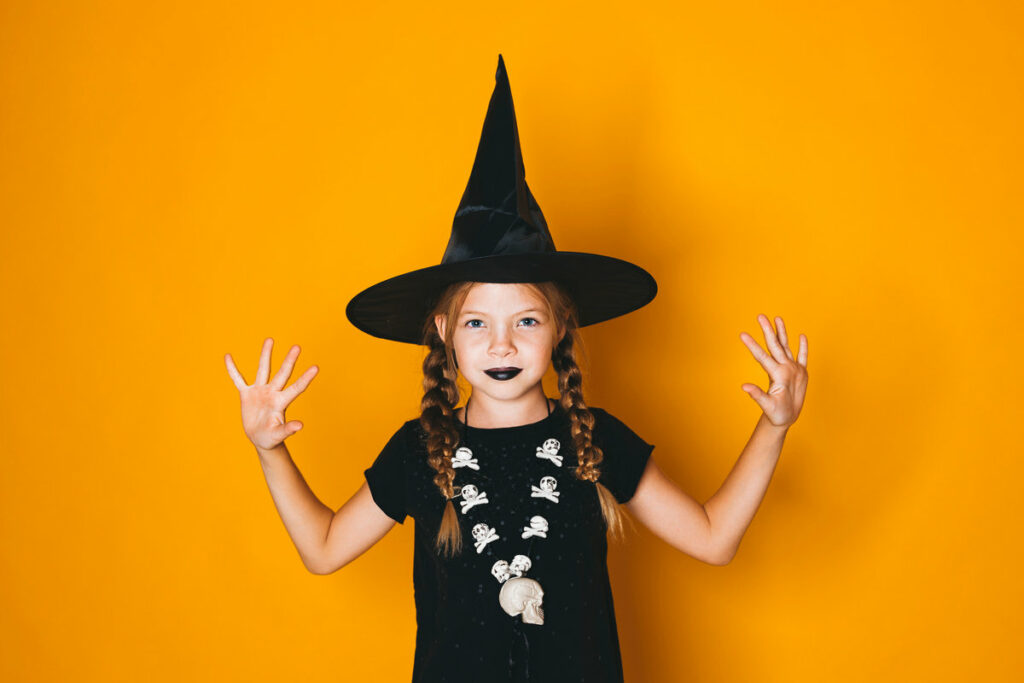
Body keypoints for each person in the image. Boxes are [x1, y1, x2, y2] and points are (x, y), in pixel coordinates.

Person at [224, 55, 808, 683]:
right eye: (478, 323)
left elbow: (715, 538)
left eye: (525, 321)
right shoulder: (421, 450)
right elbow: (323, 548)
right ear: (445, 333)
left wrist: (775, 426)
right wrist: (269, 450)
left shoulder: (596, 440)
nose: (501, 344)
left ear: (559, 326)